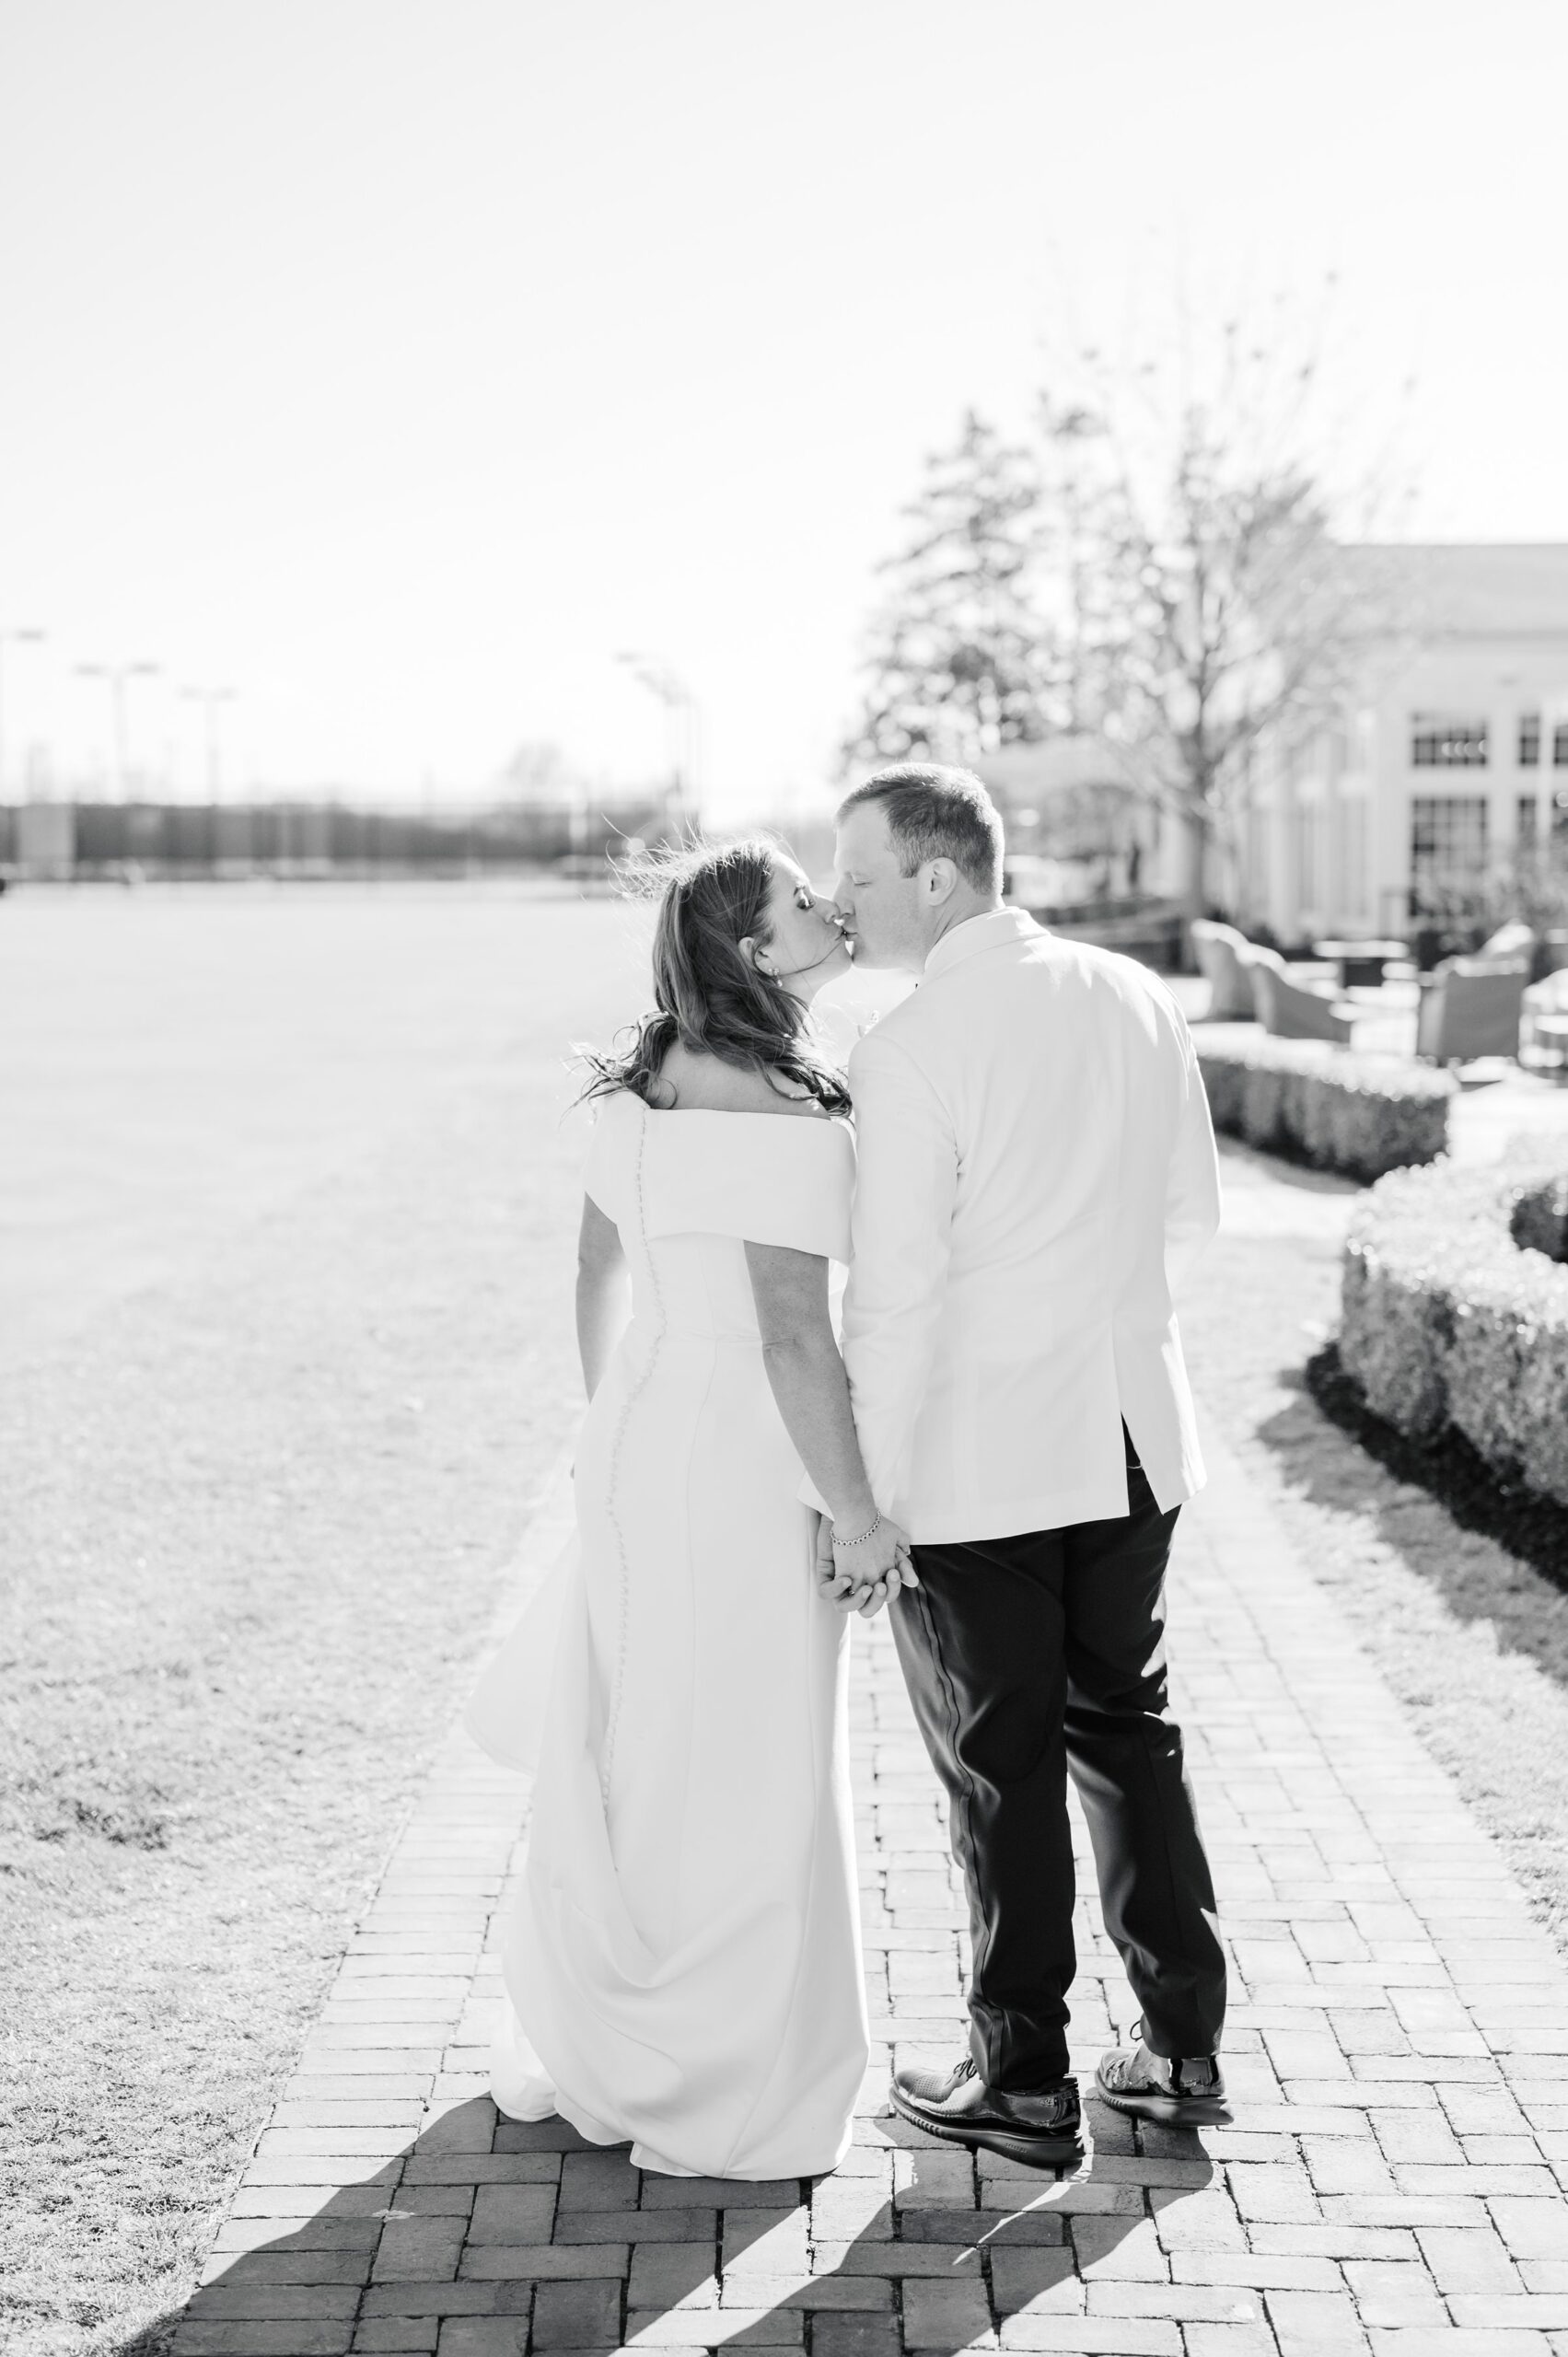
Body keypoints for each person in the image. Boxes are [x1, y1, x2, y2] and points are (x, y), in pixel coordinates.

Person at [468, 836, 914, 2178]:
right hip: (735, 1456)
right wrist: (856, 1514)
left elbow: (597, 1261)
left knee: (646, 1738)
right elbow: (793, 1342)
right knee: (753, 1755)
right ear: (755, 950)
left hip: (637, 1439)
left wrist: (612, 1414)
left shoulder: (644, 1078)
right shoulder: (778, 1106)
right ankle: (719, 2074)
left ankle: (619, 2031)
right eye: (800, 900)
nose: (830, 905)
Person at [819, 763, 1227, 2169]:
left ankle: (1026, 2080)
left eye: (859, 875)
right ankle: (1180, 2051)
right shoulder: (1134, 994)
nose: (842, 901)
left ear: (937, 878)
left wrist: (859, 1501)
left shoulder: (915, 1046)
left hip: (980, 1462)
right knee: (1130, 1739)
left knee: (999, 1769)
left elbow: (893, 1298)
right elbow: (1192, 1216)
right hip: (1129, 1438)